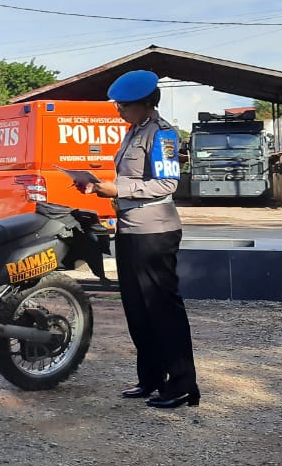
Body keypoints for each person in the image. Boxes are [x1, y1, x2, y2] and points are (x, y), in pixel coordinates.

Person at [77, 69, 200, 410]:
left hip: (155, 232)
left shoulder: (163, 136)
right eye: (118, 105)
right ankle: (150, 379)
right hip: (129, 229)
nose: (119, 111)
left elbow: (166, 185)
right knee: (137, 310)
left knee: (163, 310)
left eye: (125, 106)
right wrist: (100, 187)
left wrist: (119, 189)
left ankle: (182, 385)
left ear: (147, 104)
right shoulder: (133, 133)